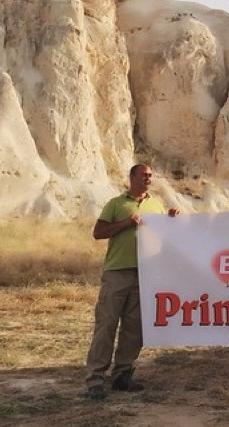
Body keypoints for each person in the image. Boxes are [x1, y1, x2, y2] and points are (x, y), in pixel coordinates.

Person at [86, 164, 180, 400]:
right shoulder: (116, 204)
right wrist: (126, 224)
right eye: (144, 175)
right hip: (117, 272)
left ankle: (122, 375)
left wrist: (171, 220)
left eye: (150, 175)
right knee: (106, 325)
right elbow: (99, 232)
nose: (148, 178)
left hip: (144, 274)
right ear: (132, 178)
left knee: (134, 328)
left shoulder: (156, 205)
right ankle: (95, 379)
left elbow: (164, 235)